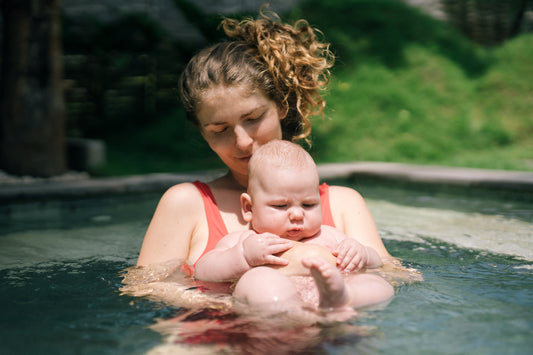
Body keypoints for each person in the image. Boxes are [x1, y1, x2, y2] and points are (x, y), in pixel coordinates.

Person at [136, 10, 391, 280]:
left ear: (282, 106)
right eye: (219, 130)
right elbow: (144, 289)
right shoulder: (185, 203)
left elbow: (397, 277)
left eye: (254, 118)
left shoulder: (343, 205)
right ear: (201, 132)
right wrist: (240, 299)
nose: (243, 142)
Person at [195, 140, 394, 311]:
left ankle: (343, 297)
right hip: (281, 304)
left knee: (378, 284)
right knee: (257, 280)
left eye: (309, 205)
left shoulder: (330, 235)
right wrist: (243, 257)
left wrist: (362, 254)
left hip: (330, 297)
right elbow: (203, 270)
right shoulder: (244, 241)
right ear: (249, 208)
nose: (298, 214)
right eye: (281, 205)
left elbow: (378, 262)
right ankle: (287, 313)